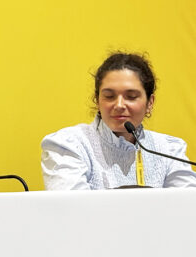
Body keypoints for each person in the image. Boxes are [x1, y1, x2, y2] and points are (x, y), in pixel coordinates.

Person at [41, 52, 196, 190]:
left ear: (150, 103)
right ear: (97, 100)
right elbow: (74, 208)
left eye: (131, 96)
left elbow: (187, 205)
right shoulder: (69, 145)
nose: (119, 105)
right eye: (109, 96)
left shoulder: (168, 150)